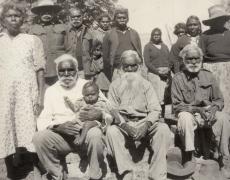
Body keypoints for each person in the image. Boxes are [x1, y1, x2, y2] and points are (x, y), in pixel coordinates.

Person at [33, 54, 108, 180]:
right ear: (57, 72)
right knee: (39, 137)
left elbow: (108, 109)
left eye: (70, 69)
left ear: (77, 70)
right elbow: (42, 121)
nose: (66, 73)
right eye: (62, 70)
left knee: (95, 134)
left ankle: (95, 175)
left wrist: (100, 114)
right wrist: (58, 127)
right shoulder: (51, 90)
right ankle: (57, 174)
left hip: (86, 135)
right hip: (62, 138)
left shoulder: (89, 85)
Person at [106, 50, 172, 180]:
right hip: (123, 123)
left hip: (144, 121)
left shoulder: (146, 85)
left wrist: (146, 125)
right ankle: (126, 172)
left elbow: (155, 109)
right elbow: (111, 109)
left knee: (163, 129)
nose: (130, 69)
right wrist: (125, 126)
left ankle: (157, 174)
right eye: (126, 66)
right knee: (111, 131)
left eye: (133, 66)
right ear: (121, 68)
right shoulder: (114, 85)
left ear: (139, 66)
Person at [171, 44, 230, 178]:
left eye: (196, 59)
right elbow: (177, 106)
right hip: (189, 112)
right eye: (190, 59)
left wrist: (214, 109)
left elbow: (219, 100)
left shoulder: (209, 76)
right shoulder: (178, 78)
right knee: (184, 118)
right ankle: (191, 158)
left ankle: (224, 159)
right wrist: (196, 109)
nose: (193, 62)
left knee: (224, 118)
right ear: (184, 60)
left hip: (208, 112)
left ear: (201, 59)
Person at [0, 0, 45, 164]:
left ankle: (35, 159)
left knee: (28, 122)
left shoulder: (32, 40)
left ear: (22, 19)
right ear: (3, 19)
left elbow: (40, 68)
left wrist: (41, 96)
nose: (13, 19)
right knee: (8, 121)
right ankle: (13, 156)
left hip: (27, 90)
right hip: (5, 91)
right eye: (9, 16)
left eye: (17, 16)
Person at [200, 4, 230, 114]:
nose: (218, 22)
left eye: (220, 19)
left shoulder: (229, 33)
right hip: (212, 71)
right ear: (211, 22)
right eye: (215, 20)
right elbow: (200, 56)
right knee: (216, 97)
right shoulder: (205, 36)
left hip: (228, 70)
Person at [30, 0, 67, 86]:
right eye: (43, 12)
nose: (47, 15)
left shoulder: (63, 27)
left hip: (59, 69)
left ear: (54, 13)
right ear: (39, 14)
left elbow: (69, 48)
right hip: (41, 70)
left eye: (49, 12)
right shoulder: (32, 30)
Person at [64, 81, 113, 146]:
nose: (90, 97)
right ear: (83, 94)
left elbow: (107, 114)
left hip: (95, 122)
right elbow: (75, 109)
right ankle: (77, 137)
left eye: (93, 94)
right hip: (80, 121)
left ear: (98, 93)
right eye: (87, 95)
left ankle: (81, 139)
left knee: (87, 125)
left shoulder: (102, 102)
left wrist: (102, 114)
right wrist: (69, 102)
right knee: (71, 124)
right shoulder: (81, 101)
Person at [102, 7, 142, 81]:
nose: (122, 19)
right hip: (118, 70)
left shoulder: (134, 33)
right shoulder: (109, 34)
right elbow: (105, 57)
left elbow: (139, 53)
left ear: (127, 19)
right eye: (119, 18)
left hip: (134, 70)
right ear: (115, 19)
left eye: (124, 17)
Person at [144, 28, 171, 110]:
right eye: (154, 35)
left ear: (160, 35)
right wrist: (158, 72)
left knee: (164, 96)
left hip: (166, 74)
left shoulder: (165, 46)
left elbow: (169, 60)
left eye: (158, 35)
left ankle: (163, 117)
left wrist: (168, 70)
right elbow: (147, 62)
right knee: (156, 97)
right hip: (154, 74)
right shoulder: (148, 47)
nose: (156, 36)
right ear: (152, 36)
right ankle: (156, 116)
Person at [65, 8, 93, 79]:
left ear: (82, 16)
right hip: (69, 70)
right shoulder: (64, 32)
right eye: (73, 17)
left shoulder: (89, 31)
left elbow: (94, 50)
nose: (76, 19)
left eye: (78, 16)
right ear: (69, 18)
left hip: (85, 70)